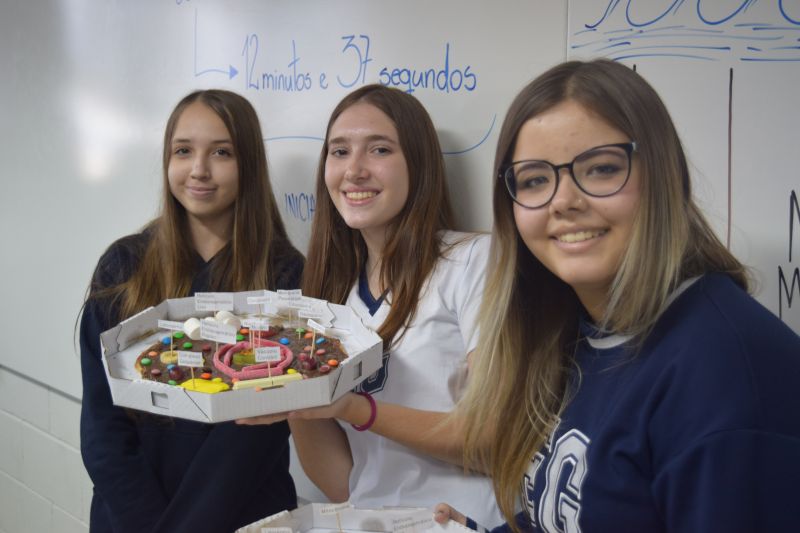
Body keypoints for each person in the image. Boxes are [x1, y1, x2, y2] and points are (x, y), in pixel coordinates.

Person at [434, 59, 800, 532]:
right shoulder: (573, 328)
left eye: (602, 168)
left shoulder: (726, 377)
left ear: (664, 175)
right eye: (535, 179)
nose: (563, 201)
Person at [239, 84, 502, 526]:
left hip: (464, 521)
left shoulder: (473, 261)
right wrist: (293, 398)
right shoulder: (330, 297)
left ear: (418, 164)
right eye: (339, 152)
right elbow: (345, 480)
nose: (354, 170)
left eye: (379, 149)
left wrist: (355, 409)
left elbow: (494, 438)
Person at [79, 89, 304, 532]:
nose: (199, 169)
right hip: (131, 519)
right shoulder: (123, 267)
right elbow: (103, 426)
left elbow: (255, 435)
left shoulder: (284, 277)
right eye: (183, 151)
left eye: (221, 152)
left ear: (248, 164)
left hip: (243, 516)